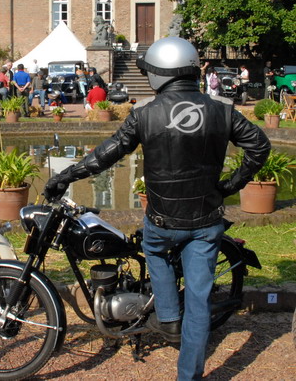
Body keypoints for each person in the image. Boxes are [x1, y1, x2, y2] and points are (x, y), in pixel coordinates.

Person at [43, 37, 271, 381]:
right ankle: (188, 374)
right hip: (207, 222)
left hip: (162, 221)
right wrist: (230, 185)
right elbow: (260, 146)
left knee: (154, 250)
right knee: (198, 301)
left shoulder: (144, 115)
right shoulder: (223, 111)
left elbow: (106, 154)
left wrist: (65, 175)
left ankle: (166, 318)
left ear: (159, 74)